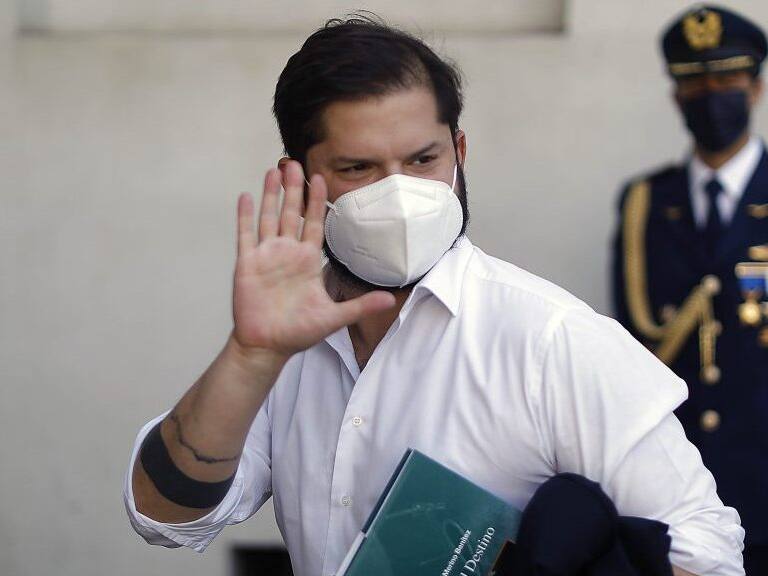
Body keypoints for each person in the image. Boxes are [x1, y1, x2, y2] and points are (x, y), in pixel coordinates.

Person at [125, 15, 744, 576]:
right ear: (300, 177)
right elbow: (166, 516)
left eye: (423, 159)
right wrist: (249, 356)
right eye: (358, 168)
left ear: (460, 152)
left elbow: (706, 553)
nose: (399, 196)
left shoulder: (553, 340)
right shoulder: (283, 349)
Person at [611, 5, 767, 574]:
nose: (711, 94)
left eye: (727, 79)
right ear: (676, 96)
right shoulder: (645, 203)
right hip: (679, 487)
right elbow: (632, 345)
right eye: (695, 82)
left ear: (755, 87)